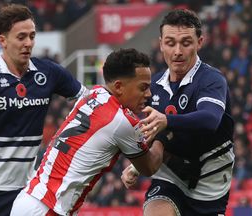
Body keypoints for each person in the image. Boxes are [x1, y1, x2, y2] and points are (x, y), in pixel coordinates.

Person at [0, 4, 87, 216]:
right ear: (2, 40)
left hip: (25, 190)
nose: (28, 43)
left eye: (32, 36)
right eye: (21, 37)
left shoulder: (48, 72)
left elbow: (88, 99)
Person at [10, 48, 166, 216]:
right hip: (50, 208)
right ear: (119, 86)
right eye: (143, 88)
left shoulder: (94, 93)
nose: (148, 94)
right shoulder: (122, 121)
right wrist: (164, 130)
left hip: (29, 198)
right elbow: (149, 167)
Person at [121, 9, 235, 216]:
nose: (177, 51)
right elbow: (154, 134)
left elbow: (210, 120)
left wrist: (166, 120)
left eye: (186, 42)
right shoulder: (153, 85)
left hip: (210, 183)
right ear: (161, 43)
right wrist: (137, 166)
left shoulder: (211, 80)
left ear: (199, 42)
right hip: (170, 175)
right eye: (171, 43)